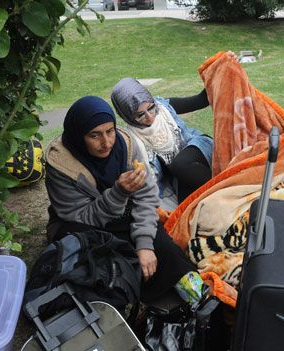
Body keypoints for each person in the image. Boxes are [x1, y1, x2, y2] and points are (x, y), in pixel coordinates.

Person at [44, 96, 196, 303]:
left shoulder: (126, 144)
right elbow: (81, 216)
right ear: (79, 135)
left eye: (109, 131)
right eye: (94, 135)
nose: (106, 143)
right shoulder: (61, 164)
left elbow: (146, 195)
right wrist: (118, 193)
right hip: (79, 223)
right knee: (109, 257)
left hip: (122, 209)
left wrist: (144, 244)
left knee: (158, 240)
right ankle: (135, 294)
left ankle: (191, 289)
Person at [110, 79, 213, 204]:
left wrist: (220, 68)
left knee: (179, 164)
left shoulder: (164, 107)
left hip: (198, 149)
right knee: (186, 207)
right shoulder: (132, 140)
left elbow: (201, 100)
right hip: (180, 177)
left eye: (151, 107)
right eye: (140, 115)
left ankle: (225, 183)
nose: (150, 116)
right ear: (127, 116)